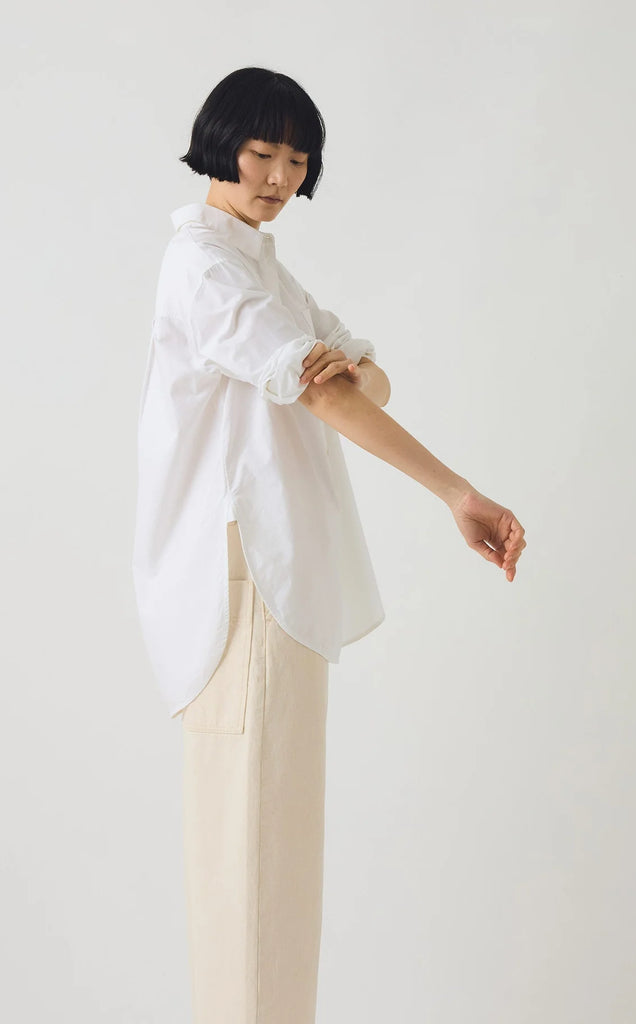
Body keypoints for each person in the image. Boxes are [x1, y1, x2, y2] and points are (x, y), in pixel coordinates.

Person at [132, 66, 526, 1024]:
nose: (278, 176)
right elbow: (330, 393)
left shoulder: (259, 265)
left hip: (274, 575)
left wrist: (338, 373)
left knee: (271, 857)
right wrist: (456, 491)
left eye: (297, 159)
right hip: (245, 577)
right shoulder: (207, 267)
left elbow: (364, 376)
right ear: (218, 144)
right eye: (261, 152)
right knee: (252, 858)